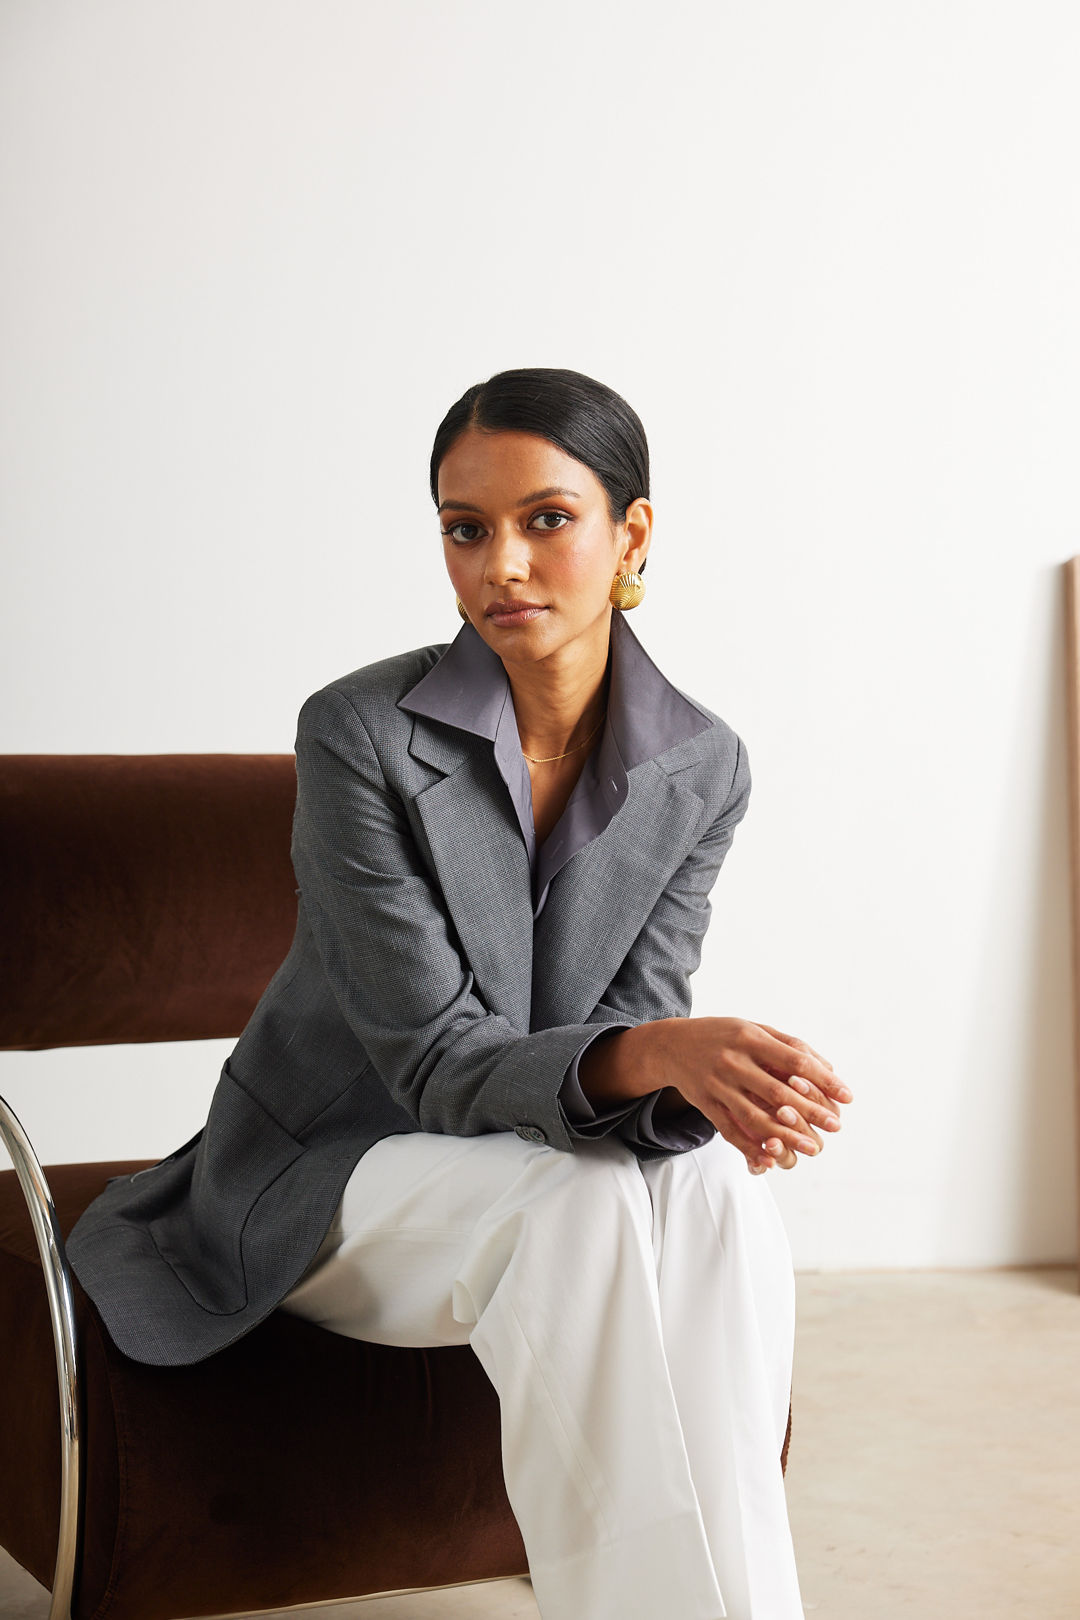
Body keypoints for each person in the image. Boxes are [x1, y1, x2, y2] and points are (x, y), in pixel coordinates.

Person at [69, 368, 852, 1620]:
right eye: (465, 527)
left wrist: (685, 1069)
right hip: (332, 1171)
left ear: (631, 533)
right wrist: (650, 1054)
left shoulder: (703, 766)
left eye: (548, 520)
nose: (504, 565)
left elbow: (629, 1012)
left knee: (707, 1181)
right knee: (581, 1214)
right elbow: (431, 1059)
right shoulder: (358, 734)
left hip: (530, 1158)